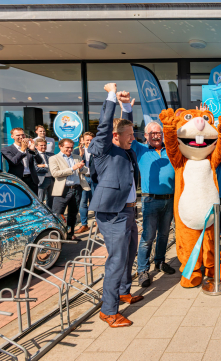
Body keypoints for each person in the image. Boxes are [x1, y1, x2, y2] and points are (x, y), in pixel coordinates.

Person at [88, 84, 143, 328]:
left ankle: (123, 292)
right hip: (112, 214)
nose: (133, 138)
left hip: (129, 210)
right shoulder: (102, 149)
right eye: (129, 135)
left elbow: (125, 127)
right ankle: (108, 311)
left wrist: (127, 107)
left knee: (130, 253)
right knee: (117, 260)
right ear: (114, 137)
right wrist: (111, 96)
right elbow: (105, 126)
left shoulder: (125, 148)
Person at [125, 117, 177, 288]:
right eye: (153, 133)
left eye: (159, 133)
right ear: (146, 135)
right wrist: (127, 110)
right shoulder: (140, 149)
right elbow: (127, 134)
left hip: (169, 200)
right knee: (148, 237)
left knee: (164, 234)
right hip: (150, 199)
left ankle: (160, 262)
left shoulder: (170, 149)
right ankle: (142, 270)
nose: (156, 136)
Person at [49, 139, 90, 241]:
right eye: (67, 147)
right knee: (58, 214)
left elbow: (85, 170)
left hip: (76, 189)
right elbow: (55, 173)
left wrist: (80, 168)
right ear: (60, 146)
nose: (70, 149)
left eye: (71, 147)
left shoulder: (77, 157)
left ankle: (70, 234)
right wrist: (73, 168)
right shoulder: (54, 158)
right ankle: (56, 237)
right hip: (63, 190)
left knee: (73, 214)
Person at [1, 128, 39, 194]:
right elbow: (14, 162)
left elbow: (40, 161)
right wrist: (22, 150)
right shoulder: (6, 149)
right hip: (18, 179)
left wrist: (33, 151)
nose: (21, 137)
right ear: (12, 136)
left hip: (32, 180)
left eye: (23, 135)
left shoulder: (29, 147)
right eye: (18, 135)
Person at [77, 132, 96, 234]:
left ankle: (98, 221)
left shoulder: (97, 150)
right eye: (87, 140)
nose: (89, 142)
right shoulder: (78, 151)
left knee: (96, 201)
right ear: (83, 140)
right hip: (84, 178)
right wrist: (80, 155)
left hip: (95, 178)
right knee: (83, 202)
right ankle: (84, 225)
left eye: (91, 140)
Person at [34, 138, 54, 208]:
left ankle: (50, 214)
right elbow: (36, 168)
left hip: (52, 179)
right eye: (41, 145)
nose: (43, 147)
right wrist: (49, 167)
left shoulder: (51, 154)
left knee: (51, 199)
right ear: (36, 146)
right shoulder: (34, 155)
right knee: (40, 199)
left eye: (45, 145)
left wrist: (44, 165)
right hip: (42, 179)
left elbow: (56, 166)